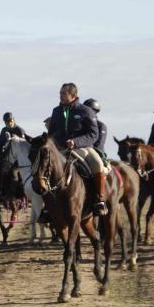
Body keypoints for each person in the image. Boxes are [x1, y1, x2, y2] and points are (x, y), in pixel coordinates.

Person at [48, 83, 106, 215]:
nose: (60, 96)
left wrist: (75, 142)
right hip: (60, 150)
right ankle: (47, 206)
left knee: (98, 164)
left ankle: (100, 199)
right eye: (60, 93)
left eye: (63, 94)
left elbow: (93, 134)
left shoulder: (86, 111)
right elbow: (51, 133)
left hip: (83, 149)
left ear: (73, 95)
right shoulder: (56, 111)